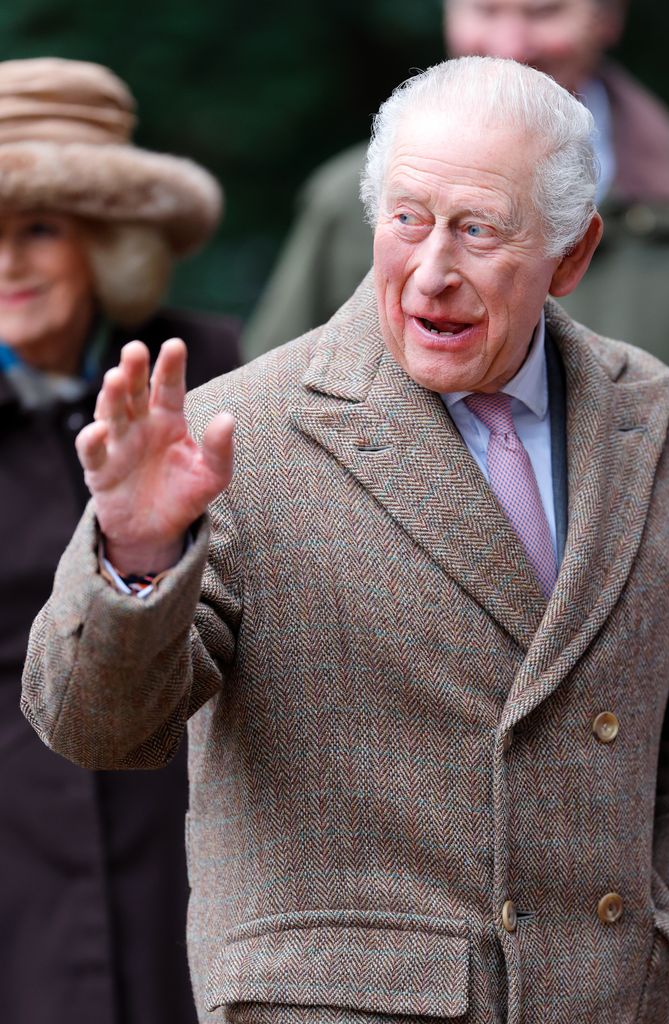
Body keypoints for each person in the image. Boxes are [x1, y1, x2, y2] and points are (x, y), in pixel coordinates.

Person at [24, 57, 669, 1024]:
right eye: (406, 219)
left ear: (572, 256)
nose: (432, 270)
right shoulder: (239, 432)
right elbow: (99, 729)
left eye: (480, 230)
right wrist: (135, 551)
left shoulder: (666, 423)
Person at [245, 0, 669, 829]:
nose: (510, 43)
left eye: (543, 10)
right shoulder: (355, 202)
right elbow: (257, 451)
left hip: (656, 707)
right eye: (485, 9)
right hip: (421, 725)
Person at [0, 57, 240, 1024]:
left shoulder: (214, 372)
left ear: (110, 240)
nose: (8, 262)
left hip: (178, 832)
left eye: (40, 229)